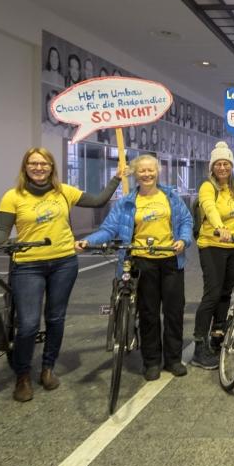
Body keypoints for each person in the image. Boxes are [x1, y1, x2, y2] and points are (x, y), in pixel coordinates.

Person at [0, 148, 126, 402]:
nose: (39, 168)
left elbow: (98, 200)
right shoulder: (12, 196)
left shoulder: (64, 191)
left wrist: (116, 178)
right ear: (25, 167)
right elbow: (2, 230)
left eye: (44, 163)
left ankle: (48, 368)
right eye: (33, 163)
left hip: (63, 262)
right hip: (27, 265)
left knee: (55, 317)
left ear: (52, 167)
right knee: (27, 324)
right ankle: (23, 375)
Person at [77, 155, 192, 379]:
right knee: (148, 313)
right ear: (136, 174)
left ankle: (173, 359)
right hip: (141, 262)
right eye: (142, 171)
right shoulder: (127, 202)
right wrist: (89, 240)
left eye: (151, 170)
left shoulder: (170, 197)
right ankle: (151, 361)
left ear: (157, 172)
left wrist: (184, 240)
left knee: (173, 311)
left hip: (170, 260)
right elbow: (109, 229)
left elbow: (187, 221)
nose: (147, 174)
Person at [190, 142, 234, 369]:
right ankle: (199, 348)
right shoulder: (207, 187)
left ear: (231, 166)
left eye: (226, 164)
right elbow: (210, 209)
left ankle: (218, 334)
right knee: (211, 294)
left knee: (225, 293)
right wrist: (220, 228)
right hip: (212, 244)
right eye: (218, 164)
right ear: (212, 167)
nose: (222, 168)